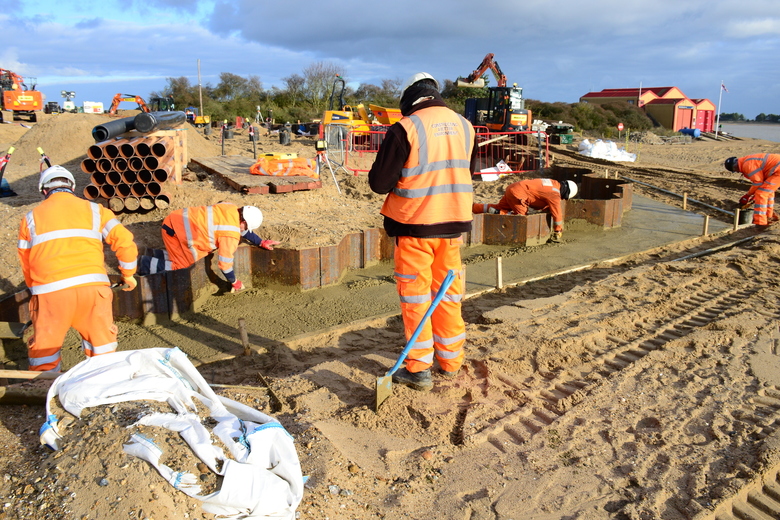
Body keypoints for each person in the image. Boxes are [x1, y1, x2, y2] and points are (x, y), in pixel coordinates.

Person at [368, 72, 478, 392]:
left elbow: (379, 183)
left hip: (415, 227)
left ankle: (418, 369)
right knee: (447, 295)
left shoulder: (406, 127)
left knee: (416, 298)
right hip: (454, 225)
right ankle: (451, 360)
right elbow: (463, 173)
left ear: (410, 99)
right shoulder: (465, 126)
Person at [17, 165, 138, 372]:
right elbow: (125, 241)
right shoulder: (96, 210)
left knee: (44, 356)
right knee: (103, 353)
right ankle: (103, 394)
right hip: (93, 293)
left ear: (44, 191)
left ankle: (44, 394)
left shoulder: (30, 218)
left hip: (50, 295)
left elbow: (26, 263)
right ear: (71, 186)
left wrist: (36, 291)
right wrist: (128, 275)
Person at [140, 202, 279, 292]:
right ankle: (143, 264)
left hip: (177, 219)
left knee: (182, 258)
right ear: (243, 221)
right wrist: (234, 282)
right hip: (175, 231)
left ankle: (154, 256)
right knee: (181, 267)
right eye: (247, 226)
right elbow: (224, 265)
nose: (245, 230)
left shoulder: (230, 207)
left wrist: (260, 242)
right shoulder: (230, 236)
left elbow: (240, 228)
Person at [472, 178, 578, 242]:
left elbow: (538, 195)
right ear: (566, 192)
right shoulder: (554, 194)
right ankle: (498, 213)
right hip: (518, 194)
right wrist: (558, 230)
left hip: (513, 188)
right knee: (520, 218)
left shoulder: (552, 183)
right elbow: (557, 213)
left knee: (499, 206)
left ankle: (472, 208)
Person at [725, 154, 780, 227]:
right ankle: (769, 216)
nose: (737, 172)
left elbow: (758, 182)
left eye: (735, 170)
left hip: (778, 171)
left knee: (761, 194)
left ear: (734, 167)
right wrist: (752, 197)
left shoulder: (747, 165)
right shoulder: (746, 160)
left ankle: (760, 222)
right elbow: (761, 181)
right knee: (767, 192)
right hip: (776, 170)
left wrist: (748, 195)